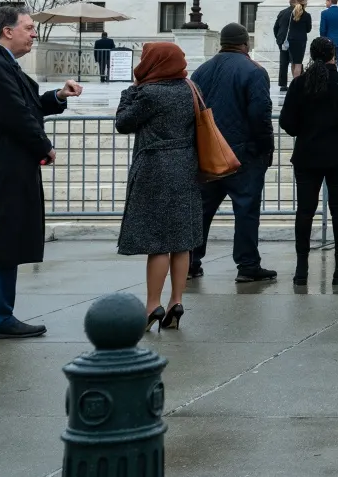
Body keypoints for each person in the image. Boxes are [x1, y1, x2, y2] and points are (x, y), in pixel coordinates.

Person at [0, 4, 80, 339]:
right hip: (0, 169)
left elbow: (28, 104)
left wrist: (58, 96)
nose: (34, 34)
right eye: (28, 28)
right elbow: (15, 115)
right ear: (7, 31)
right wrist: (44, 146)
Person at [115, 42, 206, 330]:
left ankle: (152, 305)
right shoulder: (190, 89)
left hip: (155, 168)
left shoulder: (149, 94)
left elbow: (123, 123)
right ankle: (176, 301)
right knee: (182, 241)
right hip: (186, 167)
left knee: (158, 242)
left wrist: (130, 89)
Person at [278, 36, 338, 286]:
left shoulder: (300, 83)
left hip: (307, 155)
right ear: (333, 55)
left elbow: (287, 122)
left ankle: (301, 270)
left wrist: (303, 133)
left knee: (305, 211)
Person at [190, 23, 276, 284]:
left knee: (202, 210)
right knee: (246, 210)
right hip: (243, 154)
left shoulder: (201, 71)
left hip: (208, 153)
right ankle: (247, 264)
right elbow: (260, 115)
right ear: (245, 44)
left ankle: (191, 262)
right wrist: (265, 148)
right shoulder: (254, 71)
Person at [282, 0, 312, 88]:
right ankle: (296, 84)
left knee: (293, 62)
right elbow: (308, 29)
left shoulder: (292, 13)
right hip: (301, 40)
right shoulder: (307, 15)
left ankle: (294, 82)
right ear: (305, 3)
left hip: (291, 39)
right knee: (298, 63)